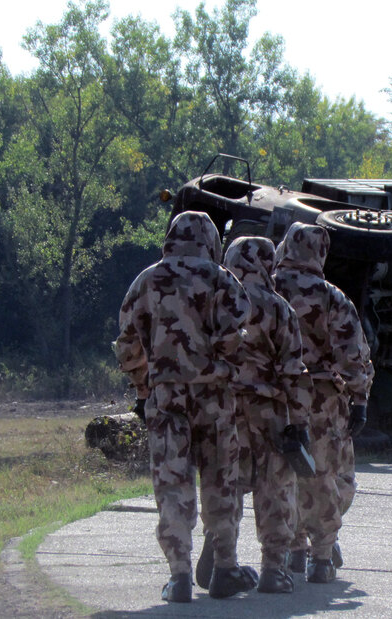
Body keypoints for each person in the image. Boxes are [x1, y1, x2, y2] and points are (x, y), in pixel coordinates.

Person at [114, 210, 257, 603]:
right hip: (214, 398)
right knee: (220, 480)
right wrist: (218, 366)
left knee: (173, 483)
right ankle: (225, 567)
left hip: (167, 398)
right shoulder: (222, 278)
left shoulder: (147, 279)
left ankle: (178, 576)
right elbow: (238, 338)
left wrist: (144, 387)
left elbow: (127, 343)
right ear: (210, 240)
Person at [272, 222, 374, 584]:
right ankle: (322, 555)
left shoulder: (265, 289)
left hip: (277, 397)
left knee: (283, 474)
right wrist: (359, 398)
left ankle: (295, 548)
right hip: (322, 399)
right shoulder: (332, 296)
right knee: (328, 475)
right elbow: (353, 354)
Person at [214, 235, 312, 594]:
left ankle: (222, 554)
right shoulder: (278, 307)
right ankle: (273, 567)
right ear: (267, 263)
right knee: (274, 486)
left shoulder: (218, 300)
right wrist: (299, 421)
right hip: (268, 410)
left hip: (222, 406)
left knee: (226, 480)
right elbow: (293, 370)